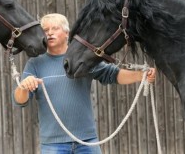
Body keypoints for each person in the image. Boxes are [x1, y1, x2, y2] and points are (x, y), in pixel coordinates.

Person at [12, 13, 156, 154]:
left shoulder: (81, 59)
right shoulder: (35, 63)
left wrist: (141, 76)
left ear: (67, 33)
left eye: (55, 28)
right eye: (46, 30)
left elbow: (112, 74)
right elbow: (19, 101)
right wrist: (24, 87)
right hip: (53, 144)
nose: (49, 33)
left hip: (86, 141)